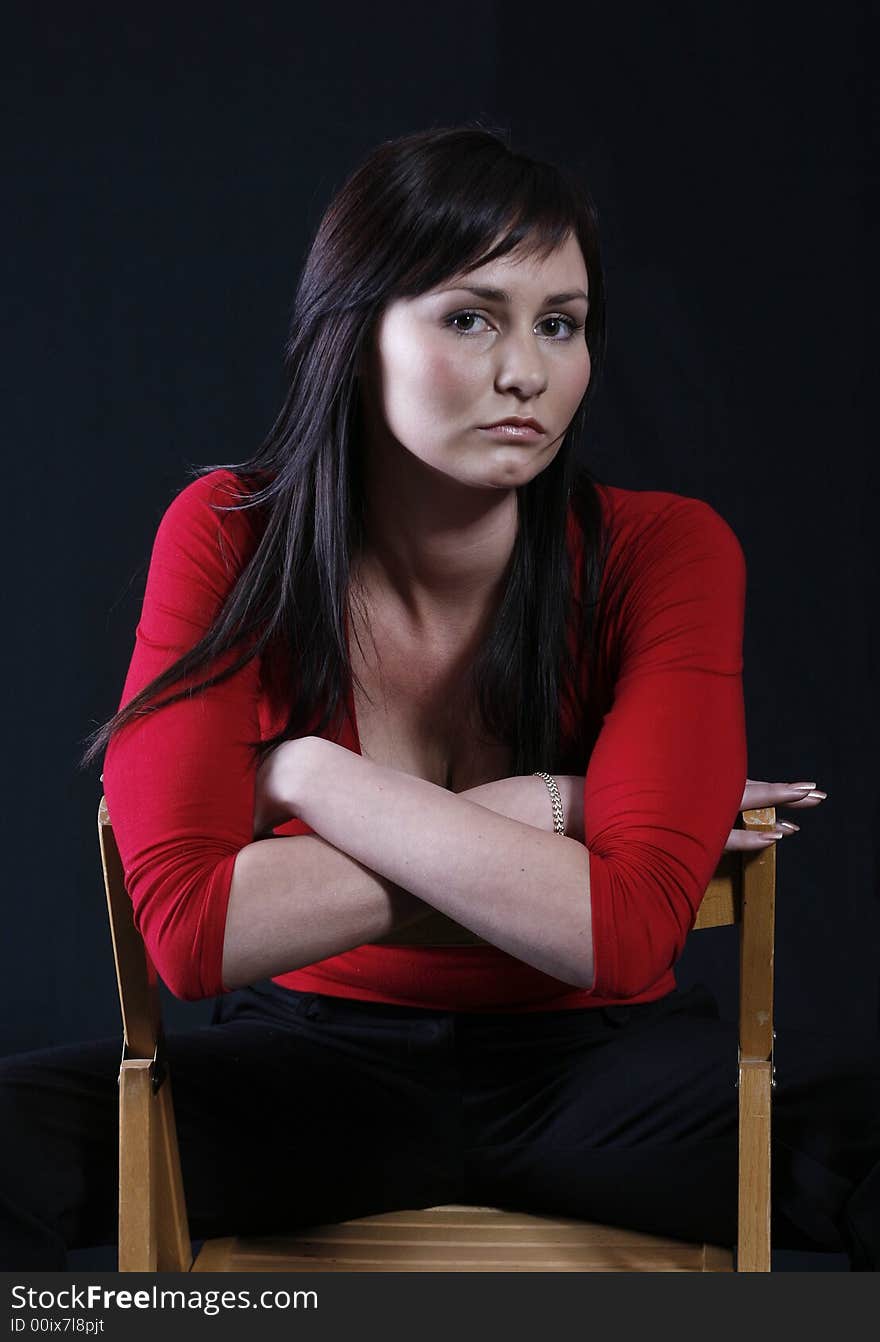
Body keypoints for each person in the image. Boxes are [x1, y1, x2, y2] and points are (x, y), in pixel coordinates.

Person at [1, 125, 877, 1271]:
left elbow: (618, 932)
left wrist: (300, 775)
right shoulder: (231, 537)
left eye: (557, 325)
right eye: (471, 317)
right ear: (352, 334)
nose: (526, 371)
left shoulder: (667, 550)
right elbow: (195, 934)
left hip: (609, 1076)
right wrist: (561, 809)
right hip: (310, 1072)